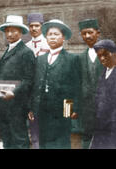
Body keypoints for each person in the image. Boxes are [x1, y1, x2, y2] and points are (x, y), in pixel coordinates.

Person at [29, 19, 81, 149]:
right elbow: (35, 85)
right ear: (46, 37)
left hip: (62, 109)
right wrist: (32, 107)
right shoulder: (40, 59)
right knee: (44, 141)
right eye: (50, 34)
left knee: (61, 141)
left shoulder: (71, 59)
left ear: (63, 37)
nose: (52, 37)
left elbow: (75, 86)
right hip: (42, 109)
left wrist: (69, 111)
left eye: (56, 34)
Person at [0, 15, 35, 149]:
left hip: (17, 104)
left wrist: (14, 92)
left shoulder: (26, 52)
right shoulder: (8, 49)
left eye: (13, 30)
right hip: (4, 103)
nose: (10, 34)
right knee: (7, 137)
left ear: (21, 32)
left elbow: (29, 79)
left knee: (19, 138)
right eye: (7, 31)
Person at [77, 19, 105, 149]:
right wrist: (69, 110)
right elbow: (73, 85)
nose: (87, 36)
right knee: (86, 141)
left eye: (90, 32)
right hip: (86, 111)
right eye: (84, 33)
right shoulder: (79, 58)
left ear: (98, 33)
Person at [25, 13, 49, 149]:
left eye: (37, 26)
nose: (34, 29)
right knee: (33, 127)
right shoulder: (26, 46)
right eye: (31, 26)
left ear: (42, 26)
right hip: (31, 93)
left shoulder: (49, 43)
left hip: (46, 91)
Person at [91, 39, 116, 149]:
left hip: (115, 127)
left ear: (115, 53)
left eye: (105, 54)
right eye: (99, 56)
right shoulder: (103, 72)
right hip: (101, 125)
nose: (102, 58)